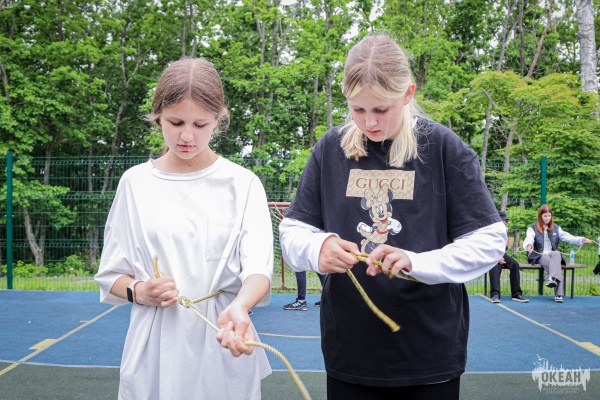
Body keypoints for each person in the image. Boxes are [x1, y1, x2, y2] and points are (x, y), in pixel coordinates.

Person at [279, 33, 506, 399]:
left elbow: (490, 240)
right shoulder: (330, 149)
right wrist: (316, 248)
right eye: (358, 109)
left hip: (429, 353)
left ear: (408, 93)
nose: (369, 122)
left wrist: (416, 262)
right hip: (350, 350)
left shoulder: (443, 147)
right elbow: (292, 231)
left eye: (381, 110)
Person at [94, 57, 274, 400]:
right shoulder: (135, 183)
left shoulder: (242, 184)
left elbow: (258, 269)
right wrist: (140, 291)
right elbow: (111, 274)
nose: (187, 136)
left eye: (200, 124)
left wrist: (240, 306)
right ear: (157, 115)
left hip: (222, 341)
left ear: (218, 120)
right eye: (175, 122)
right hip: (153, 351)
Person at [523, 204, 592, 303]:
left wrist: (582, 239)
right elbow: (529, 238)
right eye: (545, 216)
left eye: (549, 215)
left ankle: (551, 278)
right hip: (538, 255)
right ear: (540, 216)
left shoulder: (556, 228)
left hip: (552, 254)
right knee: (556, 266)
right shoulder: (532, 228)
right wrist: (529, 245)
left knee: (556, 253)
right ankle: (559, 294)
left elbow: (568, 237)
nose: (547, 218)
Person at [489, 211, 528, 303]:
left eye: (505, 221)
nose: (503, 223)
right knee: (495, 266)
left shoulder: (504, 232)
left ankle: (516, 294)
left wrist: (501, 256)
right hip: (492, 254)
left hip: (502, 254)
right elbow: (490, 247)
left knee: (514, 264)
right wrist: (498, 258)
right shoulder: (491, 231)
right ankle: (495, 294)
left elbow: (504, 247)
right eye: (501, 221)